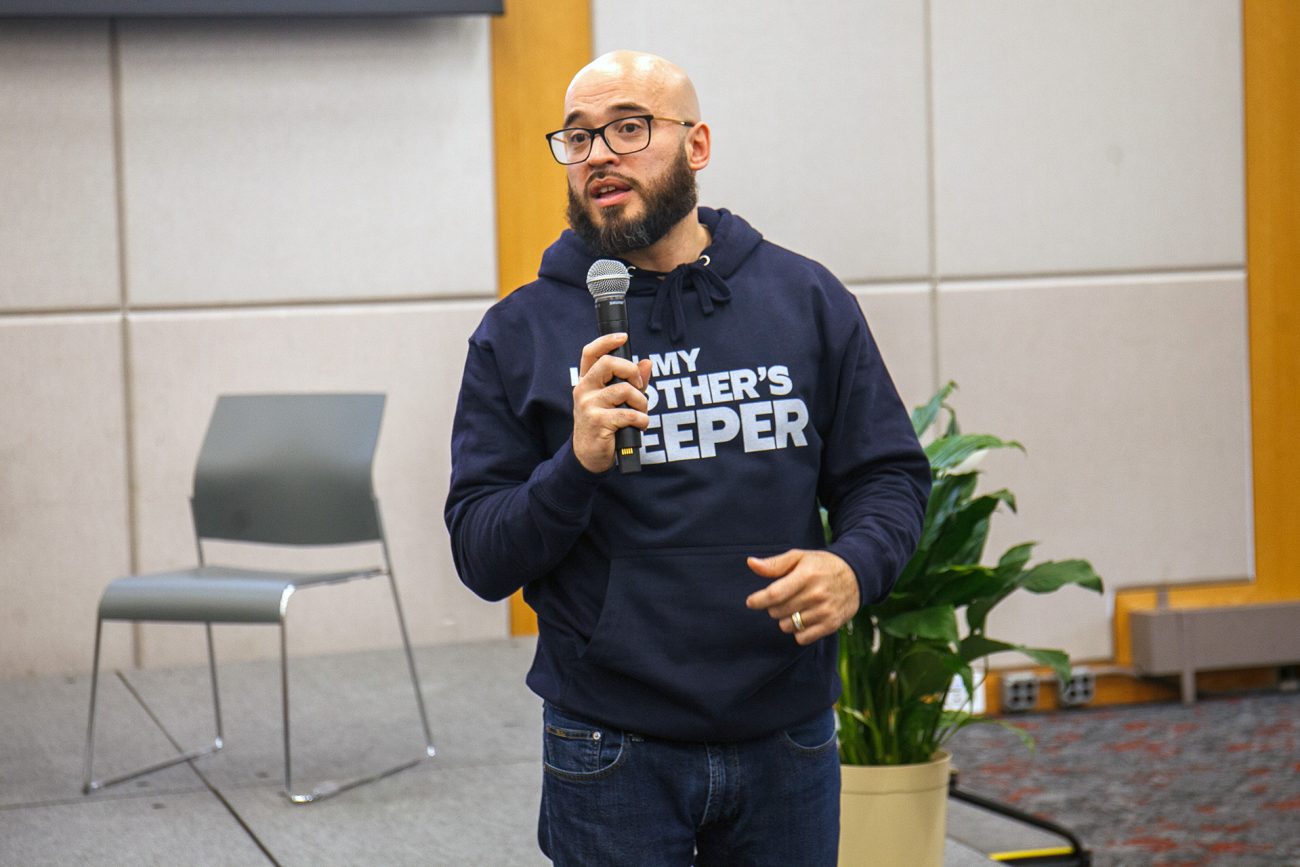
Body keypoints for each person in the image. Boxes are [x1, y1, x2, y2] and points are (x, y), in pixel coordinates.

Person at [445, 50, 930, 866]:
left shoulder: (805, 299)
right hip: (610, 741)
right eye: (578, 137)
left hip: (787, 735)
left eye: (629, 128)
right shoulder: (519, 332)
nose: (599, 154)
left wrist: (854, 566)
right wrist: (576, 464)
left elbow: (887, 475)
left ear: (696, 145)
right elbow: (481, 554)